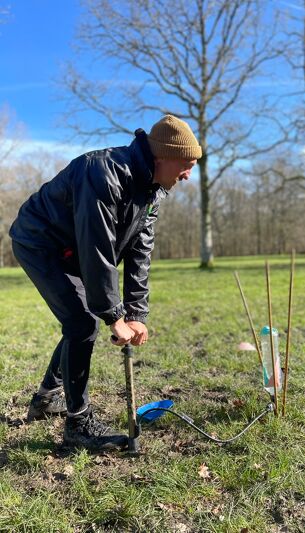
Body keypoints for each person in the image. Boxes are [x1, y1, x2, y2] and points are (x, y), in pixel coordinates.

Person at [9, 114, 202, 451]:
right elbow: (96, 246)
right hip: (41, 242)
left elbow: (140, 253)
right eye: (186, 164)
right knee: (83, 321)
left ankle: (46, 398)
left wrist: (137, 314)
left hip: (75, 251)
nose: (188, 174)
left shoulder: (152, 191)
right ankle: (78, 425)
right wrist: (114, 316)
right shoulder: (102, 173)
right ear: (163, 156)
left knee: (80, 321)